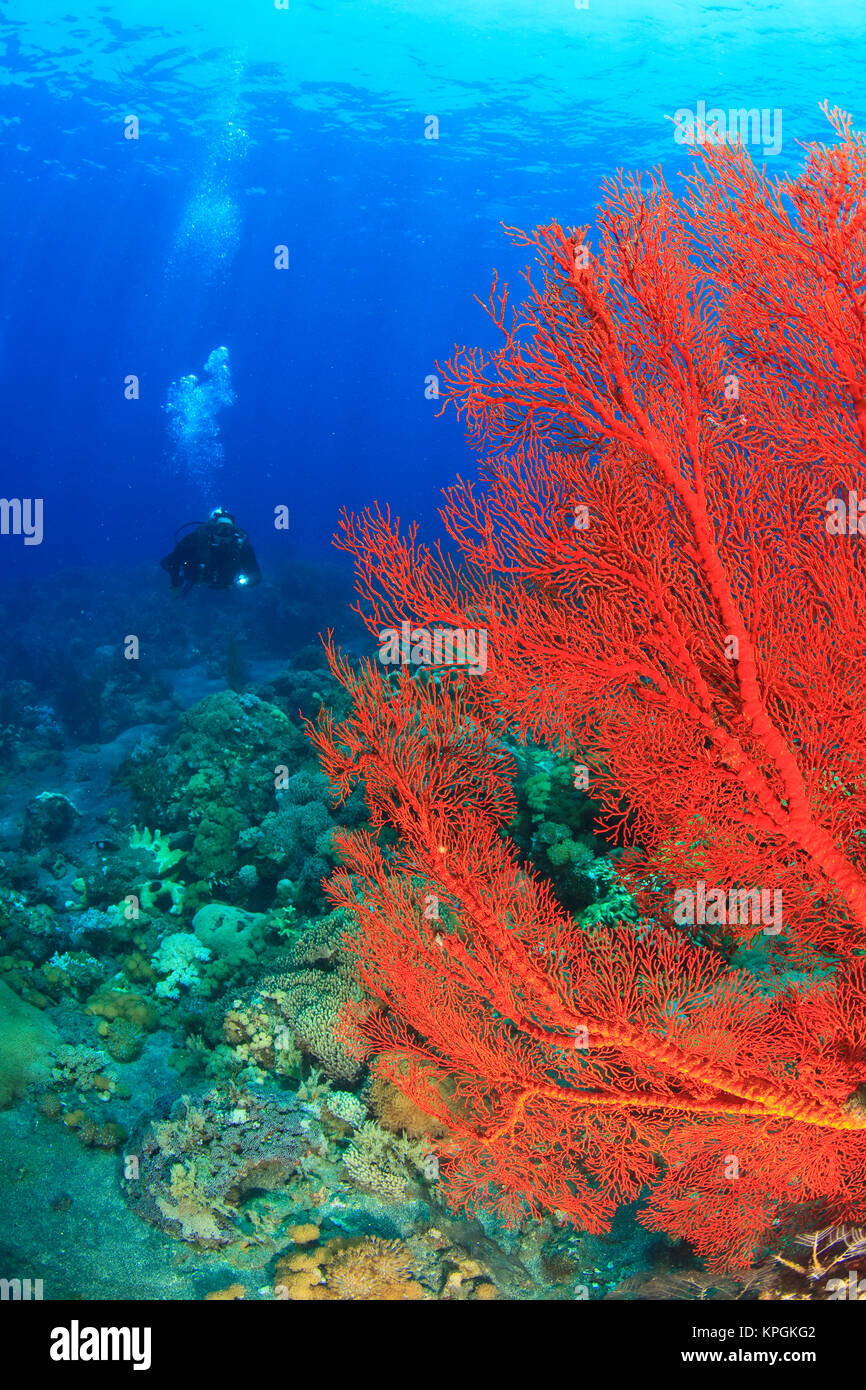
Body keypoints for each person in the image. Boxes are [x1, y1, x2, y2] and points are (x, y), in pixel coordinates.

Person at [161, 508, 261, 594]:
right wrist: (176, 582)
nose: (223, 535)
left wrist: (242, 583)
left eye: (228, 530)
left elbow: (256, 575)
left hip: (226, 584)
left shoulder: (241, 547)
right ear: (212, 529)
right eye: (220, 529)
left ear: (233, 532)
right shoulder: (194, 540)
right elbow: (171, 561)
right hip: (194, 577)